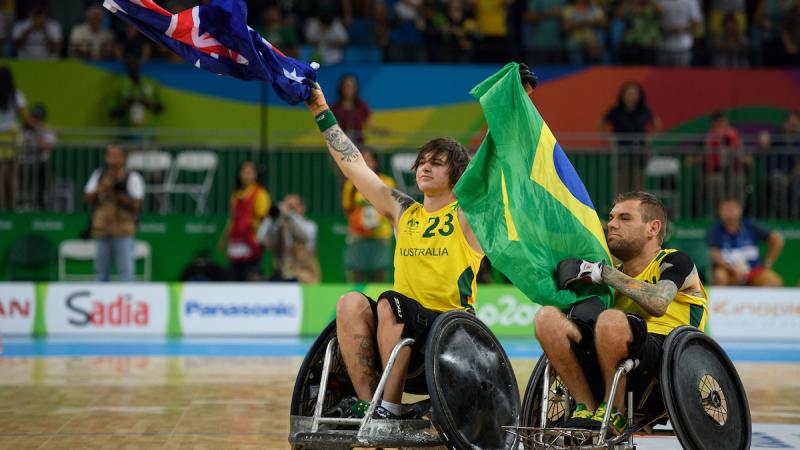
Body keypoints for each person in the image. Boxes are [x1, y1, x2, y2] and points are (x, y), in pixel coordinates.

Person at [303, 68, 515, 418]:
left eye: (437, 163)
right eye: (422, 162)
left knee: (390, 302)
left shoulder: (467, 215)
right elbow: (354, 165)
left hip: (452, 333)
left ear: (458, 175)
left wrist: (511, 103)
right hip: (401, 332)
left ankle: (391, 406)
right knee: (350, 303)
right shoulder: (405, 212)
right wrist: (320, 110)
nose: (424, 167)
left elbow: (492, 165)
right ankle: (372, 404)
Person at [535, 191, 708, 435]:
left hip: (669, 358)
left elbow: (658, 303)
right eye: (612, 217)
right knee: (548, 319)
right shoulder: (608, 275)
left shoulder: (675, 261)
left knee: (610, 320)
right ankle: (586, 407)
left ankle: (613, 412)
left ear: (653, 228)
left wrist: (604, 274)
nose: (612, 224)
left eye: (625, 218)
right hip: (612, 356)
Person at [84, 144, 145, 282]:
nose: (113, 158)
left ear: (123, 157)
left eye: (116, 155)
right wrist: (101, 188)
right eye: (110, 155)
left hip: (123, 230)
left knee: (126, 274)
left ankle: (126, 301)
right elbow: (87, 198)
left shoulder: (132, 177)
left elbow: (137, 204)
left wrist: (120, 194)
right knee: (101, 274)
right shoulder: (99, 175)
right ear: (106, 157)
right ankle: (102, 302)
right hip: (101, 228)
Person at [342, 148, 396, 282]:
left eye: (369, 160)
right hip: (358, 235)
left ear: (375, 162)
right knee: (354, 273)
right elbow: (348, 208)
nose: (365, 163)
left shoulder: (387, 182)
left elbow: (391, 207)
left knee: (379, 276)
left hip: (380, 236)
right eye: (362, 160)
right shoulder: (351, 184)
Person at [600, 81, 662, 194]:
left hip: (639, 151)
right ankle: (621, 208)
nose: (631, 96)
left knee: (638, 182)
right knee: (621, 182)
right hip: (621, 150)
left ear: (639, 96)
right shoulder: (615, 111)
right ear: (622, 95)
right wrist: (608, 139)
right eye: (628, 93)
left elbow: (657, 124)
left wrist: (650, 137)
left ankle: (637, 208)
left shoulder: (644, 111)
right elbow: (601, 125)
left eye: (634, 94)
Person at [708, 197, 784, 286]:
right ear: (720, 212)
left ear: (740, 210)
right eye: (725, 210)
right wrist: (733, 269)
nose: (729, 213)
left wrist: (768, 262)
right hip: (730, 272)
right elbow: (715, 256)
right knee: (720, 276)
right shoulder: (714, 231)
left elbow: (777, 239)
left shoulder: (750, 226)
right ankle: (720, 300)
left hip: (755, 271)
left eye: (732, 209)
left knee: (773, 282)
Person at [218, 161, 270, 282]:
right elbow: (232, 218)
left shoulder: (260, 193)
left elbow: (263, 218)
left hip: (252, 241)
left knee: (250, 275)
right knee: (234, 275)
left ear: (255, 175)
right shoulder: (235, 195)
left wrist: (257, 236)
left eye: (250, 172)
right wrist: (224, 239)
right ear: (239, 175)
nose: (247, 175)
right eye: (244, 172)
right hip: (236, 241)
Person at [258, 194, 321, 283]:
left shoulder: (310, 226)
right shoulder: (279, 227)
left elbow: (304, 237)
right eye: (287, 207)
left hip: (304, 276)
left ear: (302, 208)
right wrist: (270, 217)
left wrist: (290, 216)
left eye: (293, 207)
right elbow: (262, 240)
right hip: (282, 276)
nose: (290, 210)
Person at [110, 57, 164, 135]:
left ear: (140, 64)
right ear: (126, 66)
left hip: (148, 134)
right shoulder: (121, 84)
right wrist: (126, 105)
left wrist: (149, 103)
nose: (133, 67)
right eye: (130, 64)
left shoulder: (150, 82)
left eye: (136, 63)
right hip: (125, 135)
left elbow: (161, 109)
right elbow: (112, 114)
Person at [330, 74, 387, 145]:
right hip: (340, 145)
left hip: (359, 144)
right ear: (341, 88)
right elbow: (332, 128)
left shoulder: (362, 105)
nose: (349, 89)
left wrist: (380, 131)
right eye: (347, 86)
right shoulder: (335, 107)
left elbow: (371, 125)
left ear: (356, 88)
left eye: (352, 86)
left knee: (367, 155)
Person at [0, 66, 27, 211]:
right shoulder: (16, 95)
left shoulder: (16, 95)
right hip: (11, 138)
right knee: (12, 177)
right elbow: (25, 119)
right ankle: (13, 208)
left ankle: (2, 208)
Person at [19, 103, 56, 210]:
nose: (35, 121)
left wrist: (37, 136)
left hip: (41, 165)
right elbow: (20, 146)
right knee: (24, 188)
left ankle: (41, 207)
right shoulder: (22, 131)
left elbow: (47, 147)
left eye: (38, 118)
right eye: (33, 117)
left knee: (42, 187)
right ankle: (23, 206)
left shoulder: (47, 131)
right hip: (25, 164)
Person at [654, 0, 701, 66]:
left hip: (683, 47)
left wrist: (679, 30)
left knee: (681, 75)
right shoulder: (659, 1)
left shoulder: (690, 1)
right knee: (662, 75)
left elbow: (696, 22)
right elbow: (652, 18)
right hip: (663, 46)